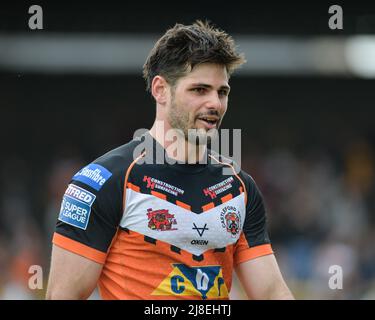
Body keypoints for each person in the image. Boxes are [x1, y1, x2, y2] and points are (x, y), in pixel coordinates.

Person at [46, 20, 294, 300]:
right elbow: (62, 296)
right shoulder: (104, 180)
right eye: (200, 90)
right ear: (160, 90)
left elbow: (272, 292)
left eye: (222, 92)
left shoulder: (239, 187)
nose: (215, 103)